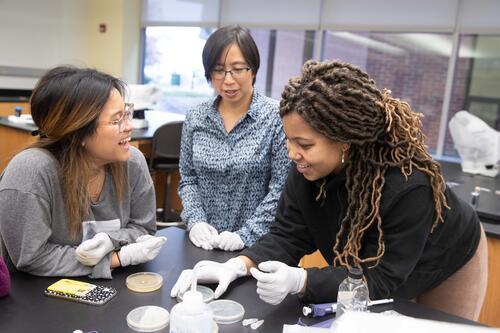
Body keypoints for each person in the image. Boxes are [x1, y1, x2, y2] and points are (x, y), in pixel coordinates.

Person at [171, 60, 487, 320]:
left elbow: (381, 279)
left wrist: (302, 280)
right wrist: (238, 265)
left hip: (444, 257)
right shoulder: (305, 167)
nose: (292, 153)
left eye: (304, 144)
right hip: (371, 267)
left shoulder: (407, 185)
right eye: (288, 139)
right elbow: (288, 235)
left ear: (344, 141)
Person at [0, 66, 166, 279]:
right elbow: (33, 257)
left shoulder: (132, 162)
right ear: (77, 132)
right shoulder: (31, 171)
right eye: (116, 121)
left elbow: (144, 229)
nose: (128, 126)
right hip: (34, 294)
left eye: (126, 114)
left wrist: (111, 240)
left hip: (109, 287)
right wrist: (118, 258)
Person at [179, 25, 289, 251]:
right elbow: (188, 179)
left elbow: (281, 188)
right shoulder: (196, 117)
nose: (228, 80)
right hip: (203, 242)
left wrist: (246, 234)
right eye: (219, 70)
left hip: (258, 245)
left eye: (237, 69)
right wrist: (196, 221)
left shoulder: (276, 117)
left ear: (253, 70)